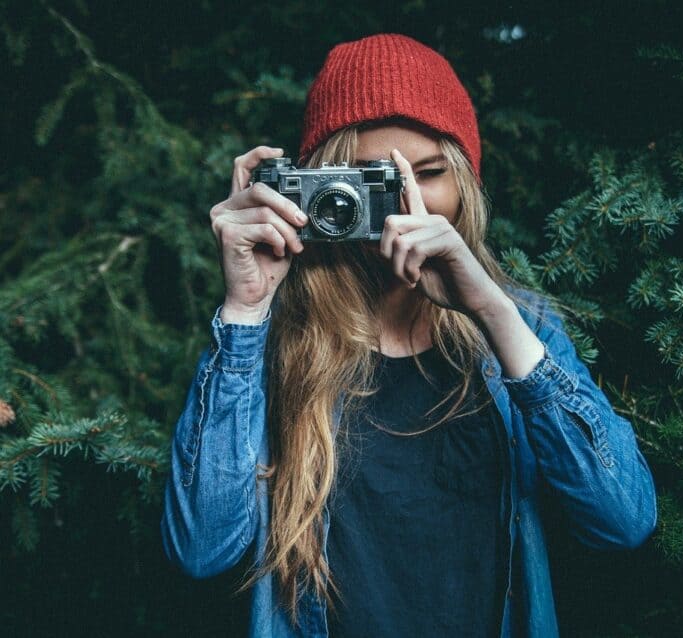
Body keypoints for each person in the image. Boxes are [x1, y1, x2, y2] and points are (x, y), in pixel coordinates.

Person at [160, 33, 657, 638]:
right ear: (319, 193)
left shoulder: (520, 332)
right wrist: (243, 311)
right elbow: (201, 548)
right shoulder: (269, 343)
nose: (405, 206)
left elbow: (623, 519)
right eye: (372, 181)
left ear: (467, 184)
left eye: (428, 174)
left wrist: (493, 314)